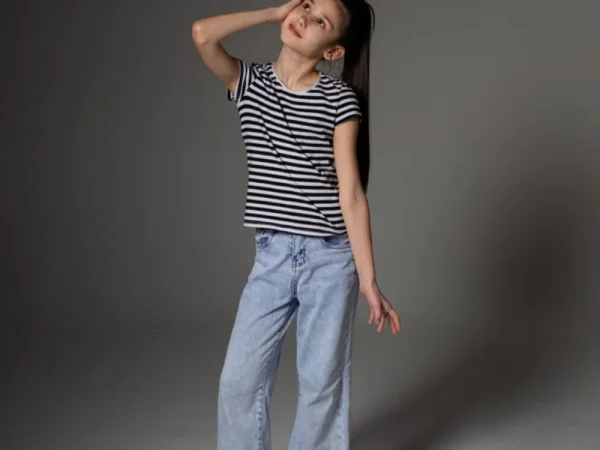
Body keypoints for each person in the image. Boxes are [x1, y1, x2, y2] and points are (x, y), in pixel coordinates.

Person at [192, 1, 401, 448]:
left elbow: (351, 193)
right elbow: (203, 34)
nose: (304, 18)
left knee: (321, 385)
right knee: (238, 383)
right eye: (307, 4)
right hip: (271, 257)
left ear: (332, 51)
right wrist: (273, 12)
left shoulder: (339, 100)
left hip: (329, 259)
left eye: (321, 21)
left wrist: (368, 279)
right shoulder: (250, 83)